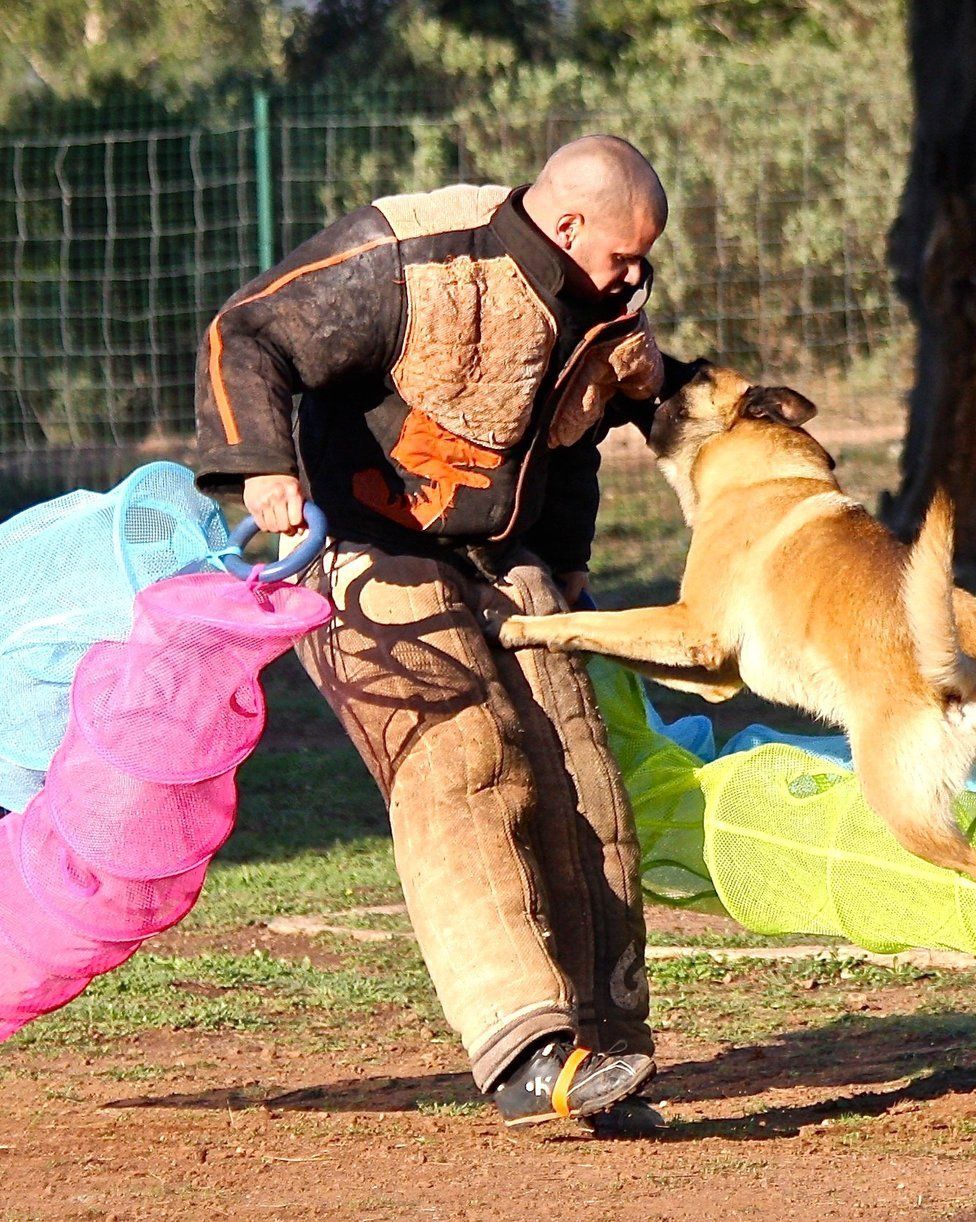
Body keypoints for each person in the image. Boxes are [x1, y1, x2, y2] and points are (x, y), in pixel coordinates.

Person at [193, 136, 670, 1131]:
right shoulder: (413, 254)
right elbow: (248, 331)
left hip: (498, 550)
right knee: (460, 749)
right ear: (567, 221)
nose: (637, 275)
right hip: (355, 536)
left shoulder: (608, 308)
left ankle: (605, 1053)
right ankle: (527, 1052)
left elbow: (570, 443)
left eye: (643, 260)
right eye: (623, 255)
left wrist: (569, 570)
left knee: (583, 771)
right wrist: (261, 467)